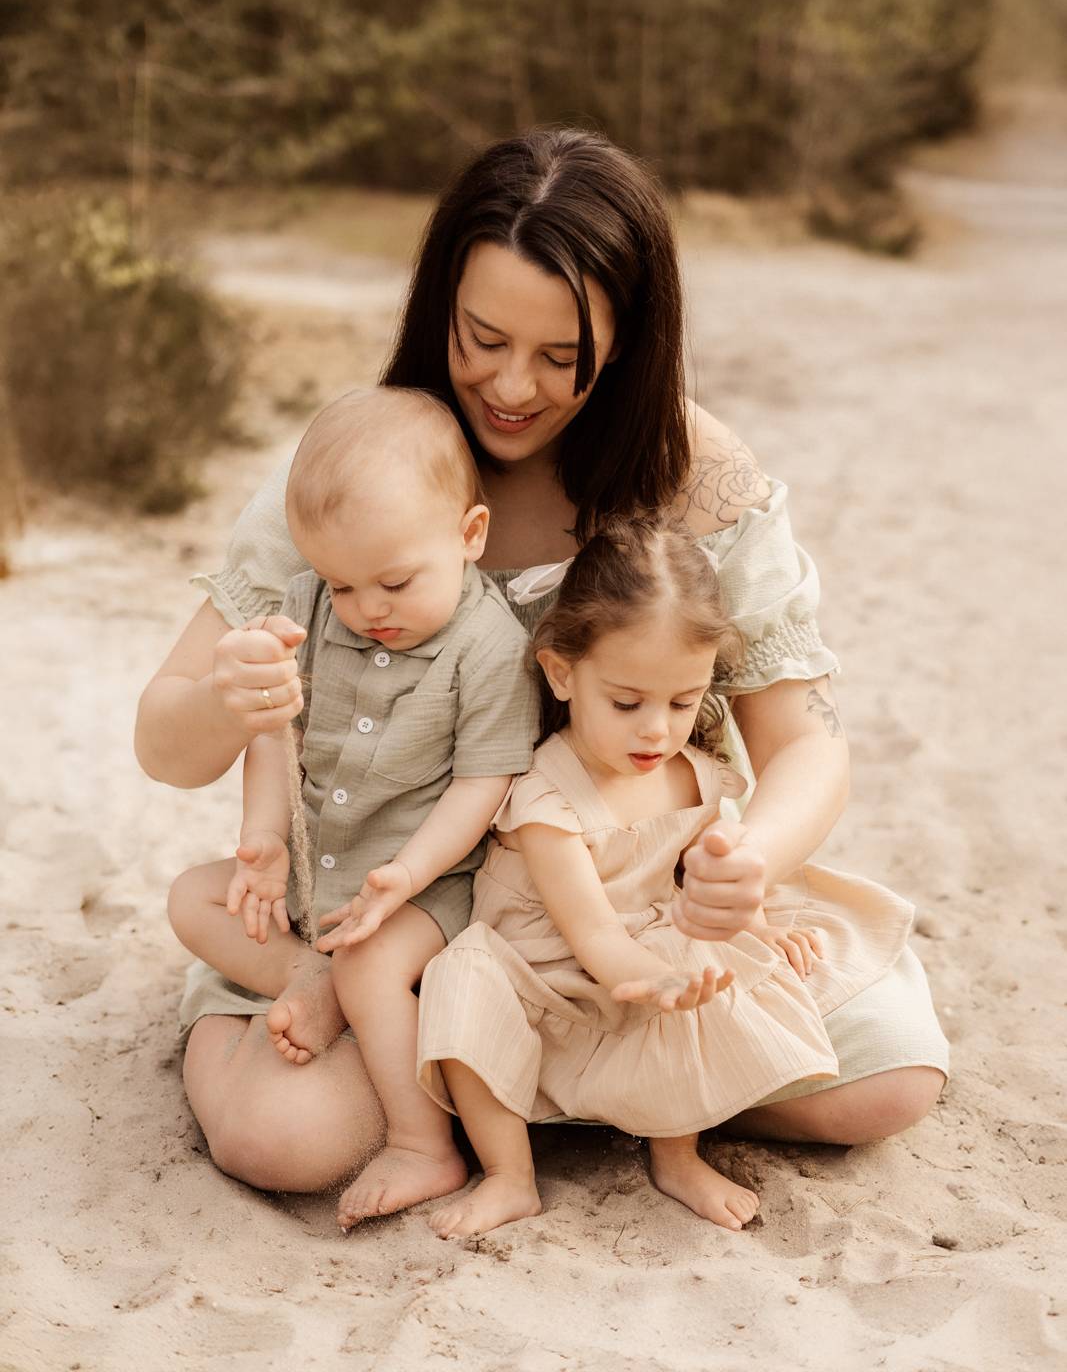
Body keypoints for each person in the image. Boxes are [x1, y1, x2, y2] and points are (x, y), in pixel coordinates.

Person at [136, 126, 948, 1196]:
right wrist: (229, 702)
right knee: (275, 1140)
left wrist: (747, 856)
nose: (511, 386)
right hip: (402, 909)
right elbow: (164, 737)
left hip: (627, 895)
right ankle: (478, 1059)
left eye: (560, 356)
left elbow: (804, 744)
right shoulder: (370, 466)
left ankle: (532, 1072)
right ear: (439, 309)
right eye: (480, 338)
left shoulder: (696, 476)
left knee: (882, 1083)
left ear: (626, 339)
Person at [417, 517, 919, 1237]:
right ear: (561, 672)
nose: (657, 729)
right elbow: (588, 931)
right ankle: (509, 1175)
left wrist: (757, 924)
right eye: (627, 703)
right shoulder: (545, 800)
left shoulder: (699, 777)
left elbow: (704, 879)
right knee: (460, 978)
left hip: (646, 956)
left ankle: (676, 1153)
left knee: (701, 956)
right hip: (546, 977)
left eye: (683, 702)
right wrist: (650, 976)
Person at [166, 388, 539, 1222]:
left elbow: (484, 785)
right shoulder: (304, 608)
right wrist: (261, 837)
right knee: (192, 895)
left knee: (371, 966)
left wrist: (406, 875)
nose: (369, 610)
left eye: (395, 582)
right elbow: (275, 733)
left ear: (469, 537)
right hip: (314, 876)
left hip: (425, 888)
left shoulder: (489, 648)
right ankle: (304, 972)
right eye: (343, 584)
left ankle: (423, 1147)